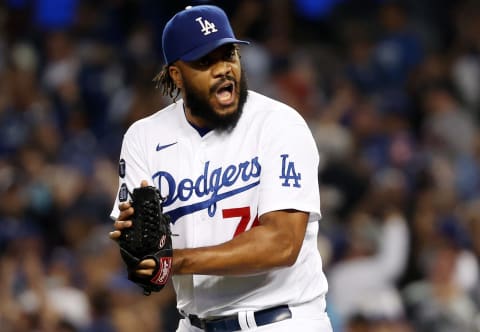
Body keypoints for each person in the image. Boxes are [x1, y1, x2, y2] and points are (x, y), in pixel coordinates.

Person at [109, 5, 332, 332]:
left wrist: (177, 261)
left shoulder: (279, 124)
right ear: (176, 74)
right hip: (194, 324)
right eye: (205, 61)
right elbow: (142, 248)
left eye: (228, 54)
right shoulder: (144, 137)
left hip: (280, 320)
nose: (222, 69)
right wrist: (142, 255)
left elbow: (282, 243)